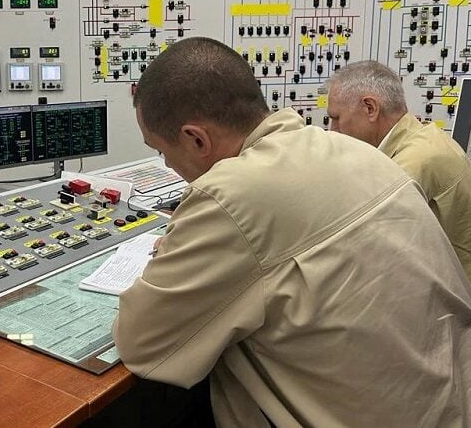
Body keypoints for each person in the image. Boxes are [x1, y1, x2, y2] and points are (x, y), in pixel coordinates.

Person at [113, 37, 471, 427]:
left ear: (196, 138)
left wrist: (179, 248)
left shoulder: (228, 195)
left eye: (162, 151)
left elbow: (142, 344)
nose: (167, 163)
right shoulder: (356, 150)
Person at [325, 60, 471, 280]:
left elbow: (364, 245)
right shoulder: (422, 139)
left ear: (370, 108)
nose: (332, 131)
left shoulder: (412, 163)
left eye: (336, 118)